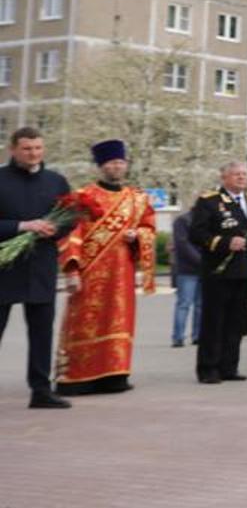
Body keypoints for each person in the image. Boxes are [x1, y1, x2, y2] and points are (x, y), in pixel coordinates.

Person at [54, 139, 157, 395]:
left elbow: (149, 228)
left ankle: (115, 375)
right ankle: (77, 378)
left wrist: (138, 236)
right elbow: (71, 234)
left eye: (121, 162)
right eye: (112, 163)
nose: (117, 167)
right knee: (83, 322)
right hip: (90, 273)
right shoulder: (83, 196)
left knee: (118, 321)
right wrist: (71, 269)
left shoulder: (136, 198)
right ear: (101, 166)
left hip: (121, 274)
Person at [0, 126, 77, 408]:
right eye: (27, 149)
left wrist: (55, 228)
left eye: (38, 148)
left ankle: (41, 391)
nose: (33, 154)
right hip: (4, 267)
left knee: (42, 332)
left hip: (41, 267)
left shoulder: (56, 181)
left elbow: (71, 218)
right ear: (13, 150)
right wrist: (22, 226)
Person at [188, 160, 247, 386]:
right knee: (214, 321)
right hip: (218, 272)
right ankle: (208, 368)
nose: (242, 178)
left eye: (244, 174)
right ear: (225, 178)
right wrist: (224, 242)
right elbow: (196, 233)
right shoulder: (209, 201)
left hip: (245, 271)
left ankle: (229, 366)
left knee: (236, 322)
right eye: (236, 174)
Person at [169, 206, 201, 348]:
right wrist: (201, 260)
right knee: (184, 304)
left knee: (201, 305)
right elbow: (182, 244)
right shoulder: (182, 220)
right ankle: (178, 337)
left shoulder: (207, 220)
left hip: (203, 269)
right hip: (187, 269)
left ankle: (198, 335)